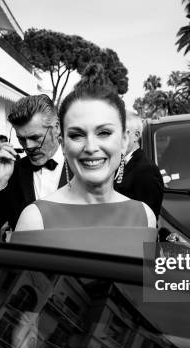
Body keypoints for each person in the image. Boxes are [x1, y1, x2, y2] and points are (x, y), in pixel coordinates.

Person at [12, 86, 157, 256]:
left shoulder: (145, 216)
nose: (90, 147)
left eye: (104, 132)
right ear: (64, 144)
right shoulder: (33, 219)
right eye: (76, 135)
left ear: (124, 141)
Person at [0, 94, 70, 240]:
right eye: (21, 139)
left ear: (56, 128)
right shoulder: (12, 173)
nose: (28, 147)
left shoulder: (80, 167)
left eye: (35, 138)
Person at [114, 110, 164, 218]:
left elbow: (146, 217)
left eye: (122, 134)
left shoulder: (146, 170)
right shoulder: (117, 163)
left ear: (136, 136)